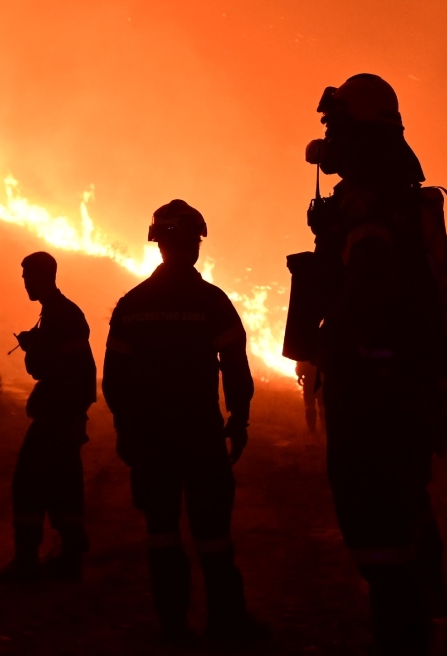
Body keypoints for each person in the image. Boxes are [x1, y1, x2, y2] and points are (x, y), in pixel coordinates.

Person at [299, 74, 447, 655]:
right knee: (406, 511)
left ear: (359, 128)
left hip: (373, 393)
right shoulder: (407, 199)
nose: (329, 136)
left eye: (336, 124)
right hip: (409, 386)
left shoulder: (368, 202)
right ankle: (420, 624)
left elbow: (367, 289)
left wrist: (333, 346)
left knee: (376, 527)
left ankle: (400, 636)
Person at [103, 200, 266, 644]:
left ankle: (172, 627)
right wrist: (240, 418)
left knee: (161, 532)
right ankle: (226, 623)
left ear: (158, 244)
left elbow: (114, 379)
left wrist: (125, 428)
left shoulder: (132, 305)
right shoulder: (210, 302)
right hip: (200, 436)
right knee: (212, 533)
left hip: (151, 438)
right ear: (195, 244)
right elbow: (234, 366)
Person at [0, 252, 97, 582]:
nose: (23, 281)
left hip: (58, 414)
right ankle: (69, 555)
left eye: (27, 275)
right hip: (63, 413)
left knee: (28, 482)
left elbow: (51, 367)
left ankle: (29, 561)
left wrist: (31, 347)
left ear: (44, 276)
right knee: (63, 483)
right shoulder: (58, 313)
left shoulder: (60, 316)